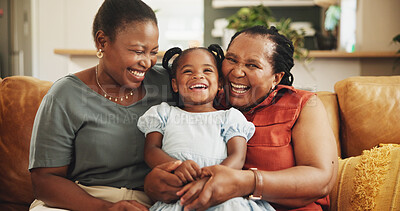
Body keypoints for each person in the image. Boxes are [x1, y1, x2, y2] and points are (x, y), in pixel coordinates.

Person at [144, 26, 338, 211]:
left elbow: (321, 179)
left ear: (276, 78)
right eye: (232, 59)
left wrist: (245, 182)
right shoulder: (207, 102)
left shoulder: (302, 105)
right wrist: (152, 185)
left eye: (252, 65)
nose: (236, 72)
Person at [28, 0, 172, 210]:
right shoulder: (65, 95)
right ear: (102, 42)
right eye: (138, 51)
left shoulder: (167, 83)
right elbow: (44, 180)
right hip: (83, 200)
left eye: (153, 52)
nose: (147, 62)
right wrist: (106, 208)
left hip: (150, 200)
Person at [137, 45, 275, 211]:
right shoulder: (163, 113)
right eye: (188, 71)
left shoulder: (229, 117)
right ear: (174, 84)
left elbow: (237, 156)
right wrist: (176, 166)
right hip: (179, 196)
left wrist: (212, 180)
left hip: (221, 196)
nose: (198, 75)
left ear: (219, 84)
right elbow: (151, 149)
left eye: (207, 70)